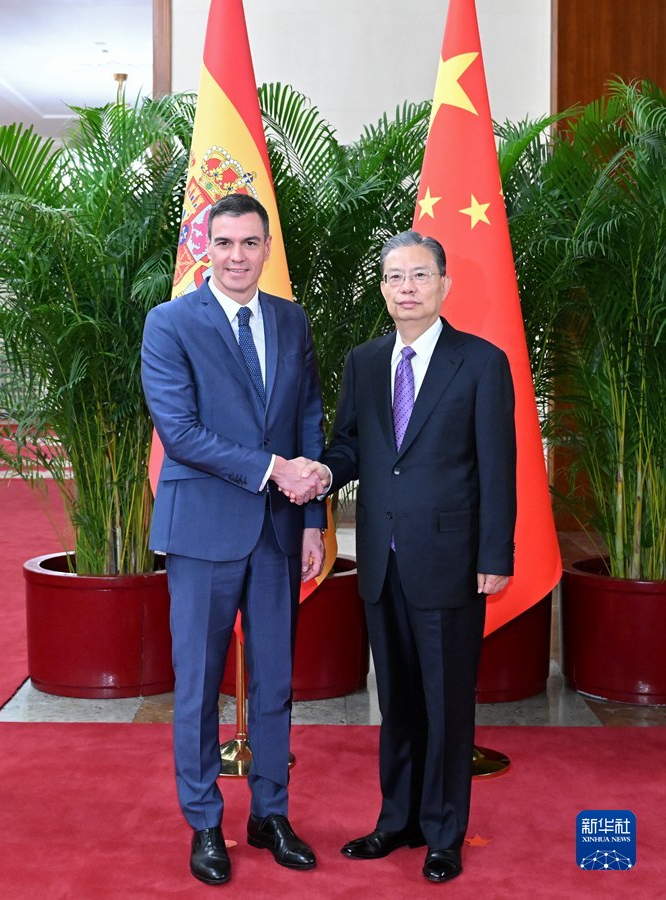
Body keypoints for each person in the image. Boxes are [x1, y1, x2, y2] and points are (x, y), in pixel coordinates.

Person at [302, 230, 516, 883]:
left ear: (444, 284)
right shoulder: (365, 362)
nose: (407, 288)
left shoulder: (480, 362)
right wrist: (321, 472)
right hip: (380, 558)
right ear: (382, 289)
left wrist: (494, 554)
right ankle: (397, 820)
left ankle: (443, 833)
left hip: (450, 559)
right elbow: (350, 445)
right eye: (395, 277)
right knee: (395, 700)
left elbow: (497, 468)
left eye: (420, 275)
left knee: (445, 703)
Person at [141, 194, 327, 886]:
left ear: (266, 248)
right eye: (224, 243)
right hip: (202, 531)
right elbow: (180, 432)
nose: (238, 256)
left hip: (279, 532)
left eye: (250, 243)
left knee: (275, 681)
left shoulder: (290, 318)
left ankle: (270, 814)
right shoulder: (169, 323)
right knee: (197, 686)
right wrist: (274, 470)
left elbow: (308, 417)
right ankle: (204, 822)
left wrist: (313, 519)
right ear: (205, 247)